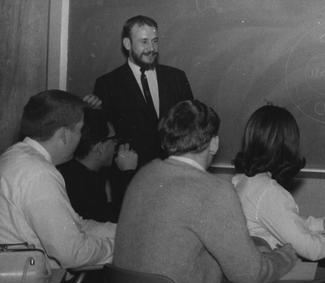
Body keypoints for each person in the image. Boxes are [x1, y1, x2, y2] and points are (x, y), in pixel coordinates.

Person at [113, 99, 297, 283]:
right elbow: (251, 276)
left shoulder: (144, 176)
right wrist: (286, 255)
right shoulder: (213, 190)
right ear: (214, 144)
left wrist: (255, 246)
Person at [232, 104, 325, 261]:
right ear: (287, 145)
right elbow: (310, 249)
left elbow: (286, 224)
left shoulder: (242, 181)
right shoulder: (268, 192)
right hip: (272, 277)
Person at [0, 90, 115, 269]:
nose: (81, 138)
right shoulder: (39, 173)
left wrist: (123, 231)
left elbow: (75, 224)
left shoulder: (15, 154)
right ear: (63, 135)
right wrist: (119, 247)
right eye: (79, 130)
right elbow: (72, 254)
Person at [90, 15, 194, 166]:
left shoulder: (176, 77)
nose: (151, 48)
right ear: (127, 44)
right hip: (129, 173)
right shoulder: (108, 83)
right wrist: (92, 110)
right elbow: (100, 134)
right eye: (144, 42)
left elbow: (191, 124)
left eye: (155, 41)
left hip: (172, 170)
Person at [58, 109, 138, 222]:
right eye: (113, 140)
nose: (116, 144)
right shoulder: (79, 187)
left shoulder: (76, 170)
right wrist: (128, 173)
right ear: (99, 148)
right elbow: (122, 221)